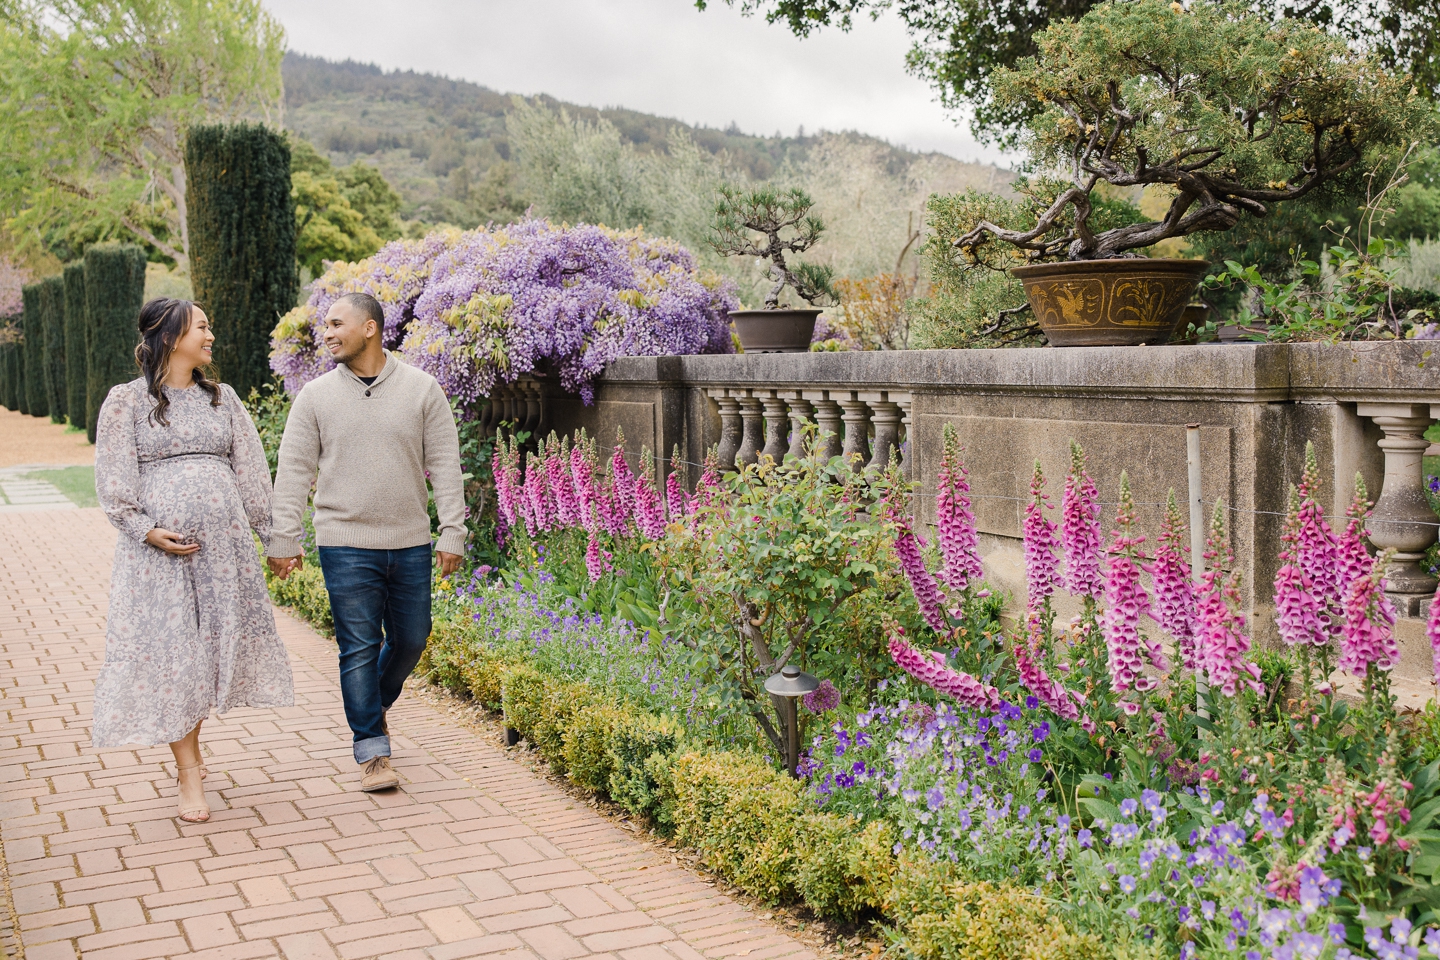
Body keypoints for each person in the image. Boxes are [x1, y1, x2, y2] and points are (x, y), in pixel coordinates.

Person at [92, 298, 294, 823]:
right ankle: (187, 772)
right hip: (159, 558)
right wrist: (147, 531)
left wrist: (272, 538)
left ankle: (191, 750)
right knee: (176, 655)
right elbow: (113, 482)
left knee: (205, 656)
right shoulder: (126, 402)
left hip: (225, 557)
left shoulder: (222, 399)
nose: (210, 335)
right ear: (170, 334)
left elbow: (251, 472)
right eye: (202, 326)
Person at [268, 292, 465, 793]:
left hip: (409, 540)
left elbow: (445, 463)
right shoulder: (315, 396)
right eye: (324, 326)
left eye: (337, 324)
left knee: (412, 639)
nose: (327, 333)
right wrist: (283, 538)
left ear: (371, 328)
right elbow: (293, 472)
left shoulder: (422, 389)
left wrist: (453, 532)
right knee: (359, 647)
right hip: (344, 541)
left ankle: (370, 709)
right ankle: (373, 750)